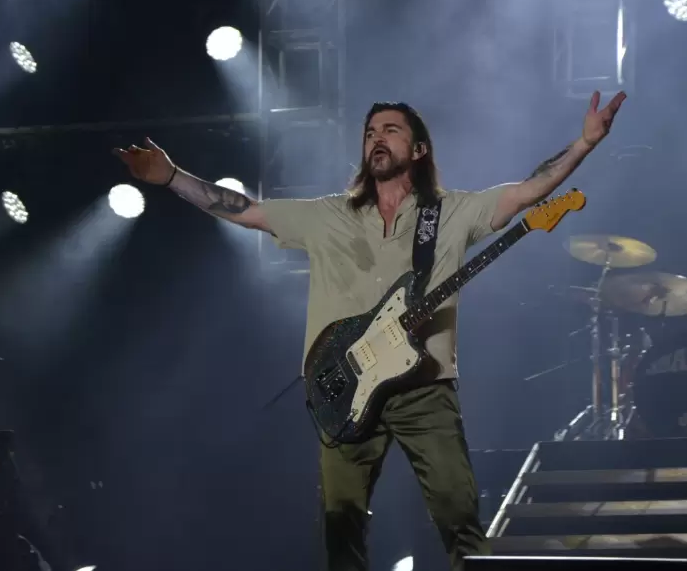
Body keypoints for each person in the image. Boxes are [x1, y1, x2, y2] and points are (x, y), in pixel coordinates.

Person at [112, 90, 626, 571]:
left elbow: (528, 191)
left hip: (424, 388)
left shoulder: (449, 213)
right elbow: (246, 211)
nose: (376, 138)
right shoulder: (326, 215)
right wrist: (172, 177)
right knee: (341, 525)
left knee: (458, 516)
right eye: (370, 132)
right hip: (341, 386)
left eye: (390, 130)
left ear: (419, 149)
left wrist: (584, 143)